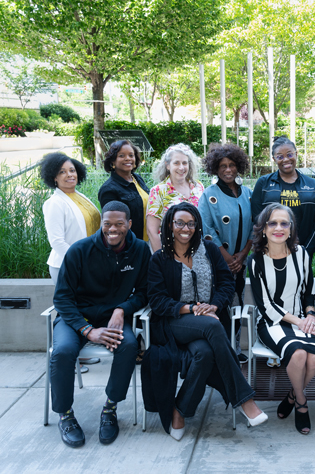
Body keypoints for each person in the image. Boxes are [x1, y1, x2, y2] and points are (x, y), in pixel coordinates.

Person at [144, 202, 266, 440]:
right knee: (212, 324)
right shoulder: (159, 259)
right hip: (173, 323)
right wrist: (191, 308)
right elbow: (157, 301)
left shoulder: (208, 249)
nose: (185, 228)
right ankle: (245, 399)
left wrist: (215, 305)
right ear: (170, 224)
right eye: (179, 222)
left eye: (191, 223)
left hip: (209, 323)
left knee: (205, 354)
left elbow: (226, 283)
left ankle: (179, 411)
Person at [50, 201, 150, 448]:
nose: (112, 229)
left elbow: (145, 292)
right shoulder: (80, 250)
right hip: (75, 318)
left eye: (118, 224)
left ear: (129, 224)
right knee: (63, 351)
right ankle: (65, 415)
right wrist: (87, 330)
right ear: (101, 224)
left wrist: (122, 309)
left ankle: (110, 409)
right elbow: (62, 297)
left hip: (112, 318)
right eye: (107, 224)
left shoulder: (140, 250)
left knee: (128, 346)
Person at [247, 203, 315, 434]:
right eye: (272, 223)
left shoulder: (302, 254)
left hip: (302, 317)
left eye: (284, 223)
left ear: (291, 229)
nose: (278, 228)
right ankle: (301, 403)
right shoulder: (255, 260)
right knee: (299, 354)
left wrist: (310, 315)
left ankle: (291, 395)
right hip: (271, 323)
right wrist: (300, 322)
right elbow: (265, 305)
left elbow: (309, 290)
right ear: (263, 228)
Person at [199, 143, 254, 363]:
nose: (228, 170)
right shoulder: (208, 195)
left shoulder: (248, 193)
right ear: (215, 168)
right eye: (222, 166)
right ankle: (221, 350)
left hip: (242, 261)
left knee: (238, 304)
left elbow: (255, 226)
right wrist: (228, 257)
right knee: (220, 303)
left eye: (232, 165)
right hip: (219, 263)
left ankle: (236, 348)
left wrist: (242, 256)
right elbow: (207, 229)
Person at [250, 136, 315, 258]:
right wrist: (268, 247)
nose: (286, 159)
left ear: (296, 154)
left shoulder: (312, 184)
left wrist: (307, 249)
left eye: (289, 155)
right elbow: (257, 219)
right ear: (274, 159)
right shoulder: (263, 183)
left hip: (304, 251)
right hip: (270, 252)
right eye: (280, 157)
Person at [41, 152, 100, 285]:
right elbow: (57, 241)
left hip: (90, 264)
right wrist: (80, 262)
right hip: (69, 266)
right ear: (54, 177)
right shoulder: (54, 203)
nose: (69, 175)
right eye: (62, 172)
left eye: (72, 170)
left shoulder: (80, 196)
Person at [147, 144, 204, 252]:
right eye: (176, 163)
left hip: (196, 250)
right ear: (167, 165)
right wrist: (161, 259)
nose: (181, 167)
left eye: (184, 163)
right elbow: (151, 231)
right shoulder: (158, 191)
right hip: (169, 251)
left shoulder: (198, 187)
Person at [98, 140, 150, 241]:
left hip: (148, 240)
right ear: (113, 161)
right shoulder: (108, 189)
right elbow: (112, 226)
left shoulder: (137, 179)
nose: (128, 159)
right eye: (121, 156)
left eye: (131, 155)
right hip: (130, 245)